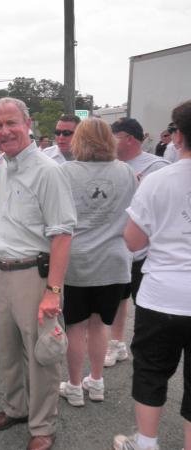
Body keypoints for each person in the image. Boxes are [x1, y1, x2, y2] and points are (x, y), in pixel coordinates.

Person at [0, 98, 76, 450]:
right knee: (8, 350)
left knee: (41, 355)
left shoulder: (47, 171)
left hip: (34, 277)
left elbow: (63, 234)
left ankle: (42, 425)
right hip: (3, 272)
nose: (5, 131)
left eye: (11, 123)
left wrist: (53, 289)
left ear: (29, 123)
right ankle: (16, 407)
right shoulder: (2, 166)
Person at [113, 100, 191, 450]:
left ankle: (146, 443)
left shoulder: (158, 180)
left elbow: (133, 240)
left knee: (151, 371)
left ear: (177, 136)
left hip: (161, 293)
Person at [58, 118, 137, 408]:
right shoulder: (126, 171)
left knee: (75, 326)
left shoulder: (66, 171)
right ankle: (97, 380)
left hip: (77, 259)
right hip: (115, 260)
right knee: (101, 324)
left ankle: (75, 385)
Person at [106, 118, 169, 369]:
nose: (109, 142)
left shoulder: (158, 166)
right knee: (118, 299)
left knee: (145, 305)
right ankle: (115, 343)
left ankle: (151, 355)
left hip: (149, 250)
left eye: (114, 137)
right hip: (117, 245)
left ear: (129, 138)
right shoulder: (109, 165)